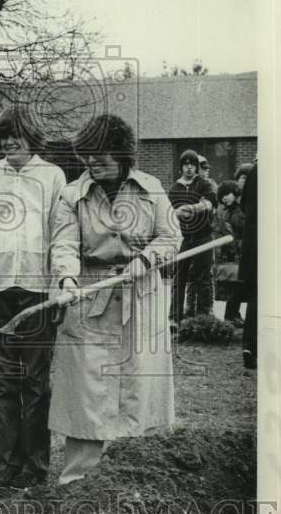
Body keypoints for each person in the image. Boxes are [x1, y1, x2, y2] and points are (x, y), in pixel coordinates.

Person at [46, 114, 181, 485]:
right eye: (87, 155)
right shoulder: (72, 195)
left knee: (139, 386)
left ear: (122, 154)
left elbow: (171, 237)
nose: (92, 162)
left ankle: (138, 477)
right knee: (87, 390)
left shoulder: (150, 188)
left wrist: (146, 258)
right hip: (90, 298)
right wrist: (68, 278)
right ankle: (79, 480)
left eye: (101, 154)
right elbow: (64, 243)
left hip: (142, 295)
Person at [0, 106, 66, 491]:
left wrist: (59, 285)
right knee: (2, 383)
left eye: (18, 135)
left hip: (37, 290)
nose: (11, 142)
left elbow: (61, 233)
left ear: (33, 136)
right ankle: (8, 464)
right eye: (4, 137)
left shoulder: (53, 176)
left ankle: (35, 465)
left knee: (35, 381)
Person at [167, 149, 217, 328]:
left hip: (203, 236)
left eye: (192, 165)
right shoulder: (174, 189)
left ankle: (203, 319)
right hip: (183, 238)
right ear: (181, 167)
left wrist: (193, 208)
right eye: (185, 165)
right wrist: (177, 213)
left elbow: (210, 203)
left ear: (196, 168)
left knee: (203, 277)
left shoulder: (204, 184)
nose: (189, 168)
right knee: (179, 276)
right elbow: (168, 214)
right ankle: (174, 318)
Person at [212, 179, 245, 325]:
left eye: (228, 194)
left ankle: (233, 315)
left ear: (235, 193)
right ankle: (231, 316)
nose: (225, 197)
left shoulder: (240, 211)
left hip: (238, 252)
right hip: (227, 253)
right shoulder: (223, 212)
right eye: (223, 195)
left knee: (237, 285)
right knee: (231, 285)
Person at [238, 161, 257, 369]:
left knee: (256, 296)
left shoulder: (254, 172)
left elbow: (244, 204)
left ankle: (250, 347)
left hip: (255, 243)